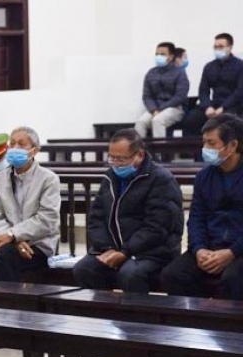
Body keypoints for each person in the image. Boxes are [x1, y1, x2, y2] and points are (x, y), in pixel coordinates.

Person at [73, 129, 183, 293]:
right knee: (84, 269)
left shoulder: (161, 179)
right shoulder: (110, 177)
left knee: (130, 275)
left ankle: (138, 310)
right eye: (112, 158)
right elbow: (96, 218)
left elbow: (157, 227)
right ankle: (103, 309)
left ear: (140, 154)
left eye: (121, 159)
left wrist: (126, 251)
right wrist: (107, 248)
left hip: (153, 251)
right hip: (114, 248)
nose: (116, 164)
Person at [161, 114, 243, 300]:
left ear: (232, 146)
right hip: (210, 245)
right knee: (173, 274)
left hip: (239, 249)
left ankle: (225, 320)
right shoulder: (203, 177)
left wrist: (232, 252)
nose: (205, 149)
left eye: (211, 143)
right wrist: (199, 249)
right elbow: (196, 218)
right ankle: (199, 316)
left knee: (233, 279)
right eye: (204, 142)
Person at [0, 126, 60, 282]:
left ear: (34, 151)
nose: (15, 148)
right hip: (8, 243)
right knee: (5, 255)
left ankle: (6, 297)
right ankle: (6, 297)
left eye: (21, 144)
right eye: (12, 143)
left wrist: (13, 235)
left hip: (39, 244)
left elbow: (47, 219)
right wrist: (14, 239)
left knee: (6, 257)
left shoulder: (48, 179)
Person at [181, 33, 243, 136]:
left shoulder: (240, 65)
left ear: (230, 47)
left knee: (227, 121)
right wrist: (207, 107)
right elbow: (203, 90)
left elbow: (240, 91)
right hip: (214, 105)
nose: (217, 49)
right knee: (190, 119)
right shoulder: (209, 67)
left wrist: (223, 108)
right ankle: (196, 146)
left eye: (221, 47)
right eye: (215, 47)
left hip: (233, 106)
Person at [134, 42, 189, 139]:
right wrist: (154, 109)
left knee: (158, 120)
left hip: (175, 108)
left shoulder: (180, 72)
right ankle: (138, 148)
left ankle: (159, 149)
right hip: (155, 110)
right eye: (157, 54)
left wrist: (161, 108)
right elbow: (147, 96)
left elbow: (180, 96)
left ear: (171, 57)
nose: (158, 57)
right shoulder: (151, 73)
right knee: (140, 122)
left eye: (162, 54)